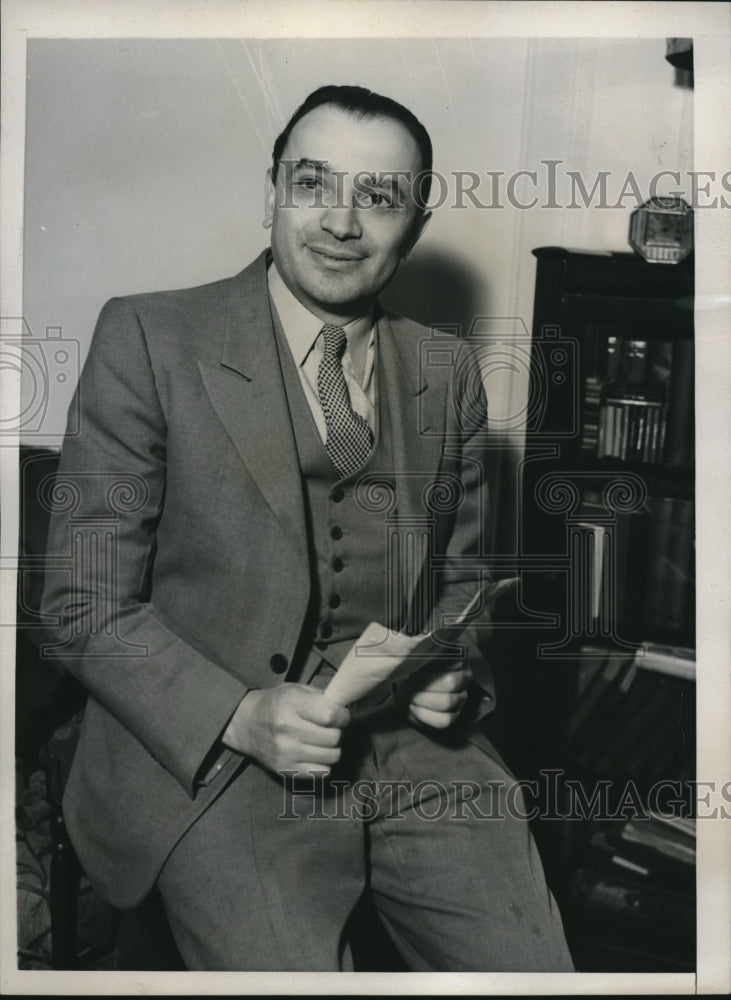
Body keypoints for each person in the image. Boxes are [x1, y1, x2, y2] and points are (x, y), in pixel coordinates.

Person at [41, 84, 574, 972]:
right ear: (271, 190)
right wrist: (241, 716)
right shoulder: (148, 338)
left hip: (413, 748)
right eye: (313, 183)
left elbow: (463, 583)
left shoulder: (446, 372)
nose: (340, 222)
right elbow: (79, 604)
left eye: (378, 198)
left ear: (414, 221)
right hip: (214, 763)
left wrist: (455, 672)